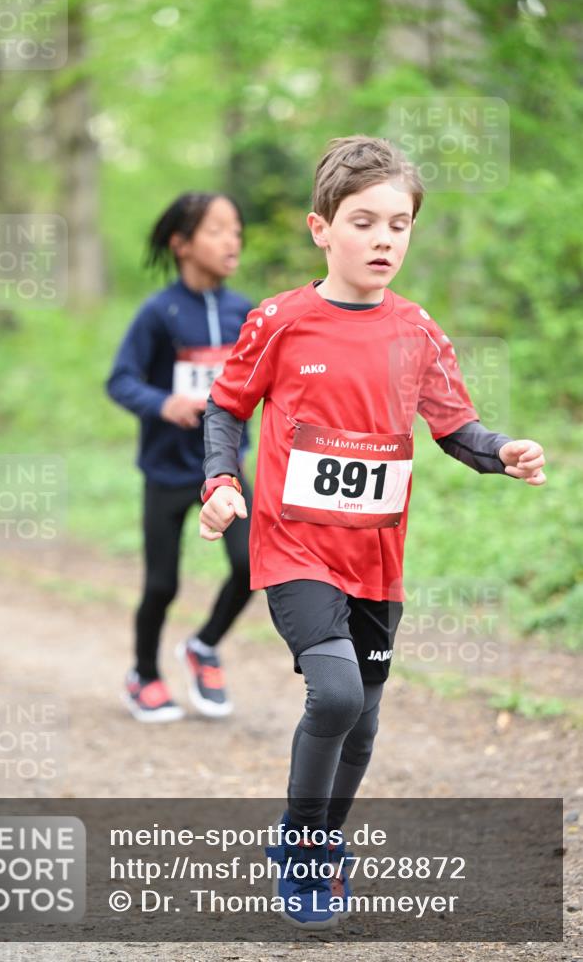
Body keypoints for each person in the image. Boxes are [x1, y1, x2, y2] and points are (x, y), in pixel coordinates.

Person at [198, 136, 546, 928]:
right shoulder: (281, 320)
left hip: (375, 558)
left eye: (399, 223)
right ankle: (303, 844)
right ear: (322, 228)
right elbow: (225, 406)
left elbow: (455, 427)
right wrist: (220, 482)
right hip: (292, 545)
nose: (383, 238)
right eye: (363, 222)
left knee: (364, 719)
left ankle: (321, 841)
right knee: (336, 692)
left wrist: (503, 452)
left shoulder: (415, 331)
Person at [107, 191, 254, 724]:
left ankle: (204, 645)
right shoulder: (158, 313)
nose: (231, 239)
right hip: (168, 470)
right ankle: (143, 674)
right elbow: (120, 380)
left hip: (228, 469)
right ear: (182, 244)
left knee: (251, 565)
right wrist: (163, 403)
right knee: (162, 585)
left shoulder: (247, 312)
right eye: (216, 230)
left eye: (235, 229)